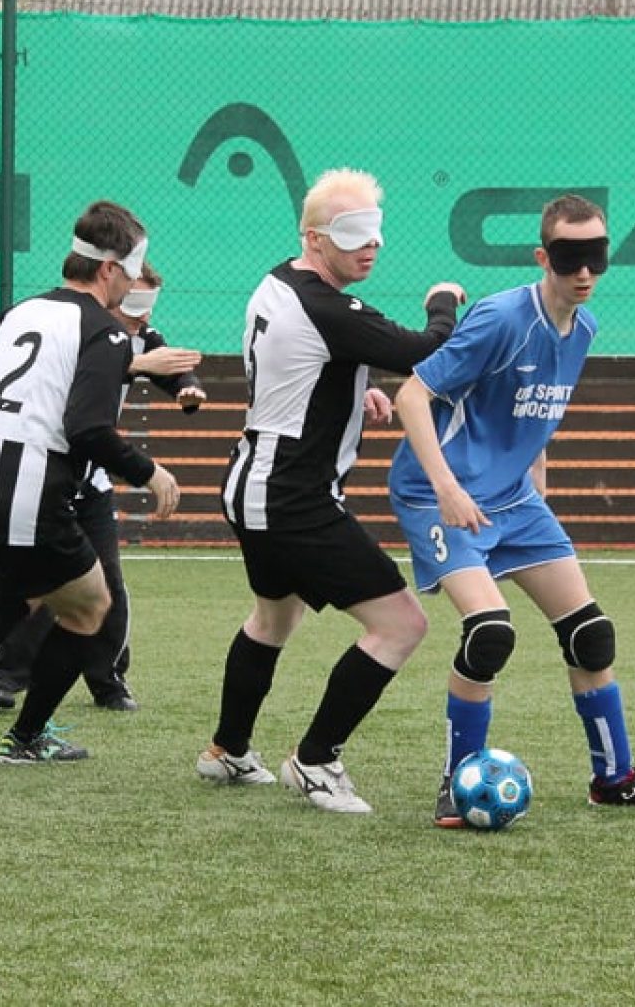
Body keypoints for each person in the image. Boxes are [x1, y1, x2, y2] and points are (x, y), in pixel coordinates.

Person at [386, 193, 635, 827]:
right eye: (568, 258)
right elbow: (411, 396)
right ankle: (457, 780)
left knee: (591, 634)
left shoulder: (582, 328)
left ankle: (613, 779)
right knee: (490, 634)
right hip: (437, 494)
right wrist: (447, 489)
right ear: (542, 257)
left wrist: (537, 487)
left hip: (514, 500)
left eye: (596, 258)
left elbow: (536, 416)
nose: (584, 273)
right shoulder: (501, 319)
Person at [195, 167, 465, 814]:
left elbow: (305, 363)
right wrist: (445, 297)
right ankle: (315, 761)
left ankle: (226, 751)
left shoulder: (282, 278)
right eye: (353, 233)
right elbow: (427, 349)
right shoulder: (327, 306)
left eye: (375, 231)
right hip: (294, 499)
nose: (370, 245)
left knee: (273, 618)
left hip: (254, 483)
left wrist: (349, 387)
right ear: (313, 237)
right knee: (402, 624)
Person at [0, 200, 180, 769]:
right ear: (109, 270)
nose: (131, 285)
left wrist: (3, 427)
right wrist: (147, 471)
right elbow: (88, 429)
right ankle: (25, 737)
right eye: (129, 274)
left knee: (19, 592)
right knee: (90, 607)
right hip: (32, 486)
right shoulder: (105, 333)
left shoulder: (20, 311)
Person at [0, 263, 206, 714]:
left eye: (148, 308)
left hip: (91, 483)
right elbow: (86, 377)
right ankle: (4, 676)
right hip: (47, 475)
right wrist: (135, 364)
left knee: (108, 587)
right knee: (33, 587)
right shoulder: (82, 333)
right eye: (134, 303)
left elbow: (173, 368)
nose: (141, 318)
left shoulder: (139, 337)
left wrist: (187, 389)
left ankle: (108, 680)